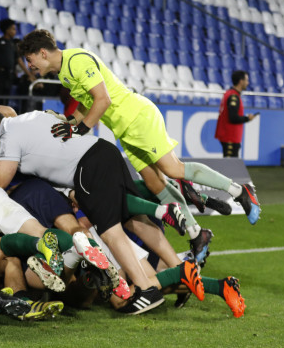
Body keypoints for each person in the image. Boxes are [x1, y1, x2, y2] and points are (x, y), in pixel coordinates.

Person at [18, 30, 261, 240]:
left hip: (137, 117)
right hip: (125, 129)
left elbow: (103, 100)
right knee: (156, 184)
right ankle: (196, 233)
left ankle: (239, 191)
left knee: (173, 169)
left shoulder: (76, 60)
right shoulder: (63, 74)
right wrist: (71, 122)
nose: (30, 66)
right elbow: (87, 102)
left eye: (30, 60)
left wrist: (79, 130)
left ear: (42, 52)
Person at [0, 109, 197, 315]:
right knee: (129, 217)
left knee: (108, 232)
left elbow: (0, 179)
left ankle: (146, 287)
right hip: (103, 152)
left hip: (86, 168)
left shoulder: (8, 136)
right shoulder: (31, 118)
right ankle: (178, 265)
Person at [0, 19, 35, 106]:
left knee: (5, 100)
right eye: (13, 29)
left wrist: (29, 74)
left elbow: (19, 60)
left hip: (9, 75)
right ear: (7, 30)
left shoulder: (13, 44)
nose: (15, 31)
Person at [215, 70, 257, 157]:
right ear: (241, 81)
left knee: (229, 165)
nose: (248, 83)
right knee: (229, 166)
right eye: (246, 80)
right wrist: (247, 118)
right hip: (230, 136)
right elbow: (233, 118)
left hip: (229, 136)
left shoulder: (229, 93)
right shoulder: (233, 96)